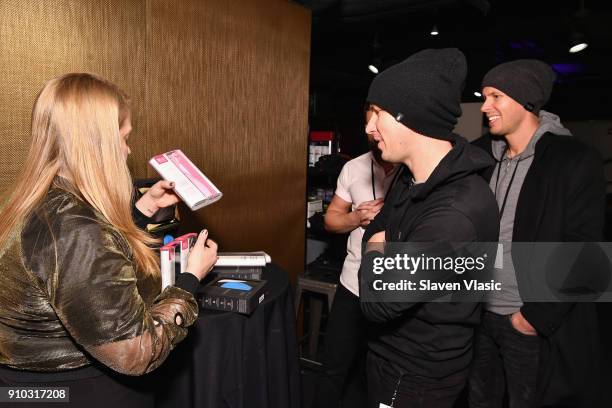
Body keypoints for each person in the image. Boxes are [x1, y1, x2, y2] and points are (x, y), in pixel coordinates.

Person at [0, 73, 218, 407]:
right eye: (125, 137)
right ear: (97, 141)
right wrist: (189, 282)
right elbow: (137, 351)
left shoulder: (41, 200)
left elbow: (80, 266)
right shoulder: (73, 228)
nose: (128, 149)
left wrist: (141, 213)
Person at [357, 48, 500, 408]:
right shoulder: (412, 177)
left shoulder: (456, 212)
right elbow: (378, 226)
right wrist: (381, 242)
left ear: (410, 116)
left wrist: (377, 245)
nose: (369, 127)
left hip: (415, 376)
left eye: (378, 114)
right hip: (388, 356)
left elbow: (377, 300)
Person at [469, 60, 606, 408]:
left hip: (527, 320)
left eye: (496, 96)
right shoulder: (482, 157)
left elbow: (585, 252)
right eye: (484, 96)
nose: (485, 106)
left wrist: (534, 317)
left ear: (526, 101)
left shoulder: (573, 159)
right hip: (477, 314)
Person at [313, 104, 397, 408]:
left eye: (379, 124)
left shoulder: (415, 169)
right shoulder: (354, 167)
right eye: (368, 125)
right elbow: (331, 219)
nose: (372, 131)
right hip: (353, 285)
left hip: (396, 290)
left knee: (384, 376)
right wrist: (355, 219)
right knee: (334, 367)